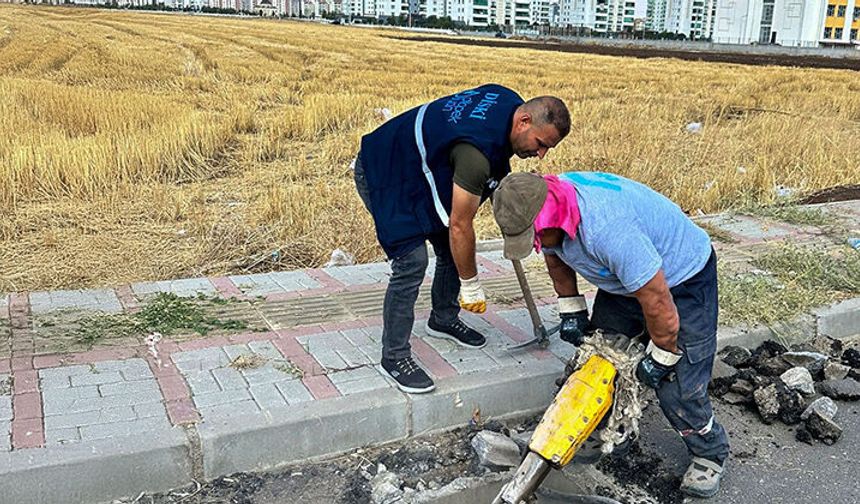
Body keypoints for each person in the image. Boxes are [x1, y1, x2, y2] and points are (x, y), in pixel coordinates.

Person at [492, 171, 730, 499]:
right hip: (626, 282)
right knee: (598, 362)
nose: (535, 243)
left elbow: (659, 302)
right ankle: (604, 430)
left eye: (533, 235)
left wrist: (661, 357)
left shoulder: (609, 231)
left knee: (680, 386)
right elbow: (553, 255)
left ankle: (709, 452)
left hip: (682, 280)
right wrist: (571, 308)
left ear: (549, 220)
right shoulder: (548, 210)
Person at [353, 84, 570, 394]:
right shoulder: (476, 154)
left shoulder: (507, 101)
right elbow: (460, 225)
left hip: (421, 165)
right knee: (412, 261)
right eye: (540, 144)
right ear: (523, 121)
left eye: (548, 148)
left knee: (449, 246)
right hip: (385, 169)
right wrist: (470, 285)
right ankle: (395, 356)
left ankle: (442, 319)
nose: (541, 154)